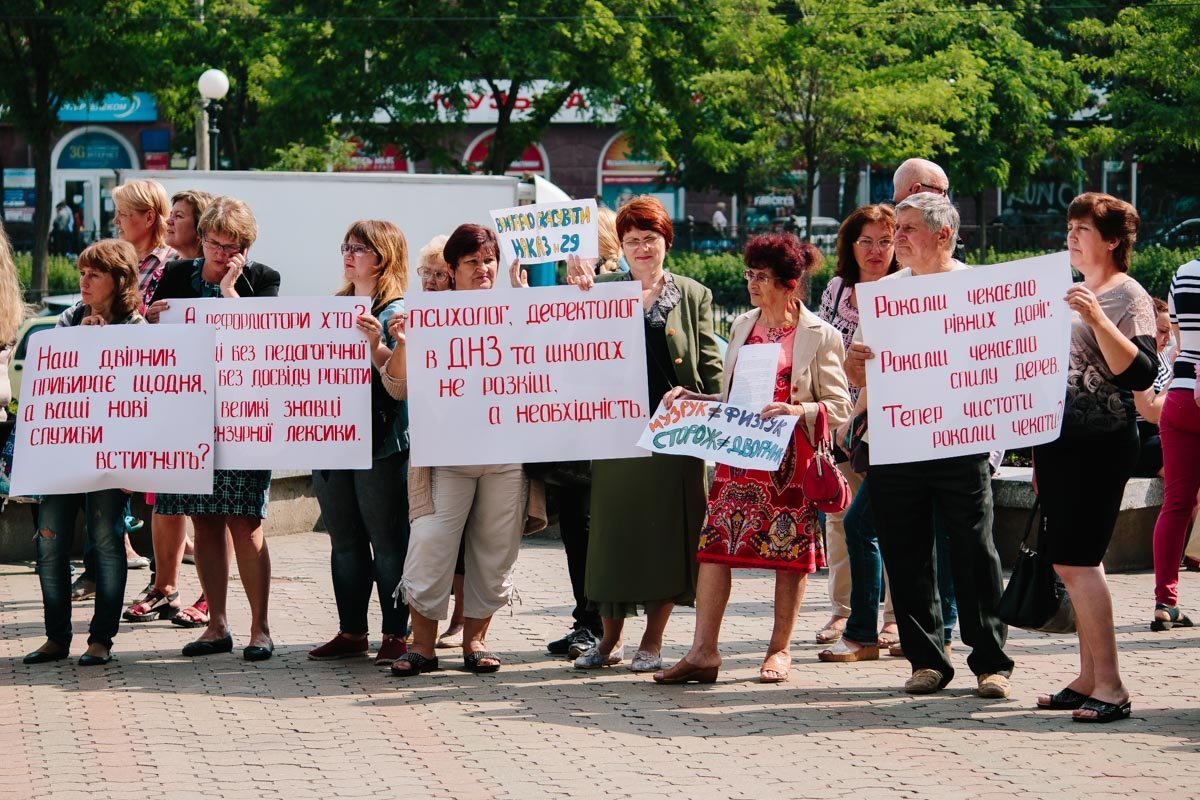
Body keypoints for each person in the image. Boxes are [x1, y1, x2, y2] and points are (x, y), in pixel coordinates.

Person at [652, 234, 850, 684]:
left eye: (762, 276)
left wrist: (797, 409)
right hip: (737, 457)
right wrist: (693, 397)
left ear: (789, 284)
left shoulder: (820, 335)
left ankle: (779, 651)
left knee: (789, 555)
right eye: (750, 274)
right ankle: (703, 652)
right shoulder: (742, 325)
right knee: (714, 550)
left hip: (789, 462)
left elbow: (839, 405)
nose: (752, 284)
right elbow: (733, 397)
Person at [845, 192, 1013, 698]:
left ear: (943, 235)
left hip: (961, 441)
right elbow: (864, 372)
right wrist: (856, 366)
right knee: (906, 550)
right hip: (898, 439)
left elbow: (999, 364)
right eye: (898, 228)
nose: (898, 238)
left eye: (909, 228)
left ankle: (991, 662)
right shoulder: (883, 293)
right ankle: (928, 661)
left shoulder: (976, 289)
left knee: (974, 552)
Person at [565, 196, 723, 672]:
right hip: (617, 433)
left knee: (665, 541)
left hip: (675, 437)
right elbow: (569, 346)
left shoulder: (693, 293)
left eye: (650, 239)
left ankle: (651, 643)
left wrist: (715, 407)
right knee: (613, 537)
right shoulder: (603, 289)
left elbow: (711, 367)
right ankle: (608, 641)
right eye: (631, 240)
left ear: (666, 242)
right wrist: (577, 295)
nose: (641, 248)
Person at [383, 224, 544, 677]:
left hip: (504, 457)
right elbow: (397, 387)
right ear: (451, 270)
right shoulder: (426, 316)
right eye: (472, 262)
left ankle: (475, 641)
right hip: (445, 459)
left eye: (488, 261)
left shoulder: (518, 310)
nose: (483, 269)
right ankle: (423, 647)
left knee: (495, 550)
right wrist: (403, 345)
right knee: (431, 545)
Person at [1031, 193, 1155, 723]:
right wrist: (1038, 450)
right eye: (1070, 226)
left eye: (1083, 228)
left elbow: (1143, 372)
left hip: (1101, 442)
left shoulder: (1128, 294)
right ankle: (1088, 677)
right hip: (1061, 442)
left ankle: (1112, 684)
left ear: (1111, 241)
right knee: (1076, 560)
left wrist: (1100, 320)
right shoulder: (1074, 291)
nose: (1072, 236)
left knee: (1078, 562)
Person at [148, 197, 281, 661]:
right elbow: (160, 346)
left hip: (242, 418)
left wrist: (228, 291)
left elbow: (261, 341)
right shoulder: (176, 275)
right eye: (214, 244)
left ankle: (259, 629)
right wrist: (151, 324)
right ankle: (217, 625)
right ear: (201, 238)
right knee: (203, 522)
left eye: (232, 247)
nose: (221, 254)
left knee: (245, 521)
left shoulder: (262, 280)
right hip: (189, 418)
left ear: (247, 247)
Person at [23, 239, 145, 666]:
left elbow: (141, 394)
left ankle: (101, 640)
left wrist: (103, 347)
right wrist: (80, 341)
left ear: (119, 279)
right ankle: (57, 637)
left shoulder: (136, 328)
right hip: (64, 456)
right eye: (82, 272)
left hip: (110, 459)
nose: (84, 280)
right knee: (50, 545)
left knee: (107, 543)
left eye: (95, 273)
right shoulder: (68, 319)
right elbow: (52, 379)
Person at [307, 221, 411, 666]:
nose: (349, 255)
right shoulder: (333, 307)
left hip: (380, 443)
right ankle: (352, 631)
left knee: (387, 540)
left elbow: (401, 384)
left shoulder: (396, 312)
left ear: (383, 256)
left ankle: (395, 633)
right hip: (333, 439)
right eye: (345, 246)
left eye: (359, 248)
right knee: (344, 539)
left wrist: (377, 344)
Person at [123, 188, 215, 626]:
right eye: (171, 214)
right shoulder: (171, 272)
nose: (171, 222)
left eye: (179, 216)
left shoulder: (220, 274)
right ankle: (165, 587)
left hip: (211, 403)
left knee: (211, 507)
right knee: (164, 498)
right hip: (170, 400)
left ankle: (209, 596)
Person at [813, 204, 899, 648]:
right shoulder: (837, 290)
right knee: (840, 516)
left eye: (885, 240)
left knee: (889, 520)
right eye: (866, 240)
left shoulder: (909, 289)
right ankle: (842, 611)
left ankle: (893, 617)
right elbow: (823, 349)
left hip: (893, 422)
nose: (875, 250)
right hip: (842, 420)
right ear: (851, 245)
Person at [1150, 248, 1200, 636]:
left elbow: (1180, 338)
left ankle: (1165, 602)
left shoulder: (1183, 273)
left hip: (1180, 396)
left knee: (1176, 505)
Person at [1131, 298, 1174, 478]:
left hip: (1159, 436)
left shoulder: (1163, 356)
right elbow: (1152, 412)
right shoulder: (1136, 359)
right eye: (1163, 331)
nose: (1168, 338)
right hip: (1140, 440)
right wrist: (1177, 377)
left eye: (1170, 331)